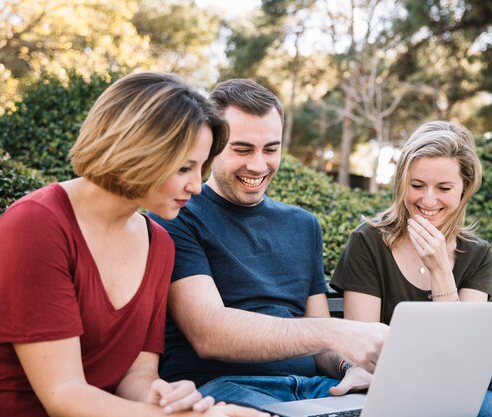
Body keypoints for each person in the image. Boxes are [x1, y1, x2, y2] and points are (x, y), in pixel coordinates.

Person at [0, 71, 266, 417]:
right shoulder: (36, 225)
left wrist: (162, 398)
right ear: (138, 151)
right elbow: (62, 394)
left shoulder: (159, 244)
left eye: (200, 169)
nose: (197, 187)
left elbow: (137, 374)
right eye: (185, 168)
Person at [149, 78, 388, 409]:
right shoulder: (178, 216)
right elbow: (208, 334)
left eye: (271, 149)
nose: (258, 165)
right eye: (242, 149)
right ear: (211, 146)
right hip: (224, 389)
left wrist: (351, 368)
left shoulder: (303, 226)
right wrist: (333, 332)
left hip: (313, 388)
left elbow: (320, 344)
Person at [330, 120, 492, 417]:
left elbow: (464, 352)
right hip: (390, 384)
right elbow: (364, 347)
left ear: (464, 189)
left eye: (444, 188)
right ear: (402, 183)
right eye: (417, 185)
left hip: (453, 381)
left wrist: (441, 272)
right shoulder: (368, 242)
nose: (428, 200)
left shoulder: (476, 253)